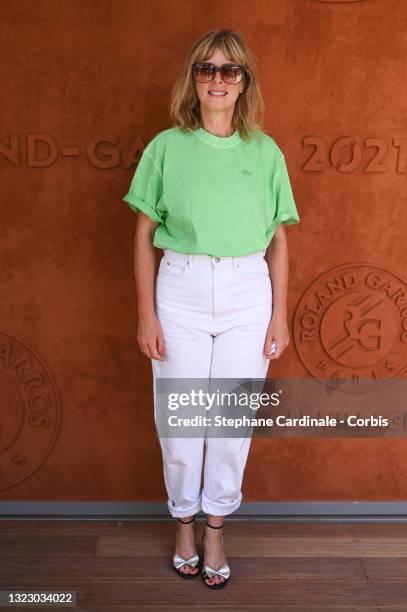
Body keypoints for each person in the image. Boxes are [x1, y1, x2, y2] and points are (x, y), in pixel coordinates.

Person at [122, 28, 300, 590]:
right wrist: (147, 314)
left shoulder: (264, 150)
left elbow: (277, 237)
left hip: (250, 291)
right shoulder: (166, 147)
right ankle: (182, 523)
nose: (217, 80)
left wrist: (280, 314)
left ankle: (216, 526)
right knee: (181, 423)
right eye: (207, 69)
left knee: (229, 424)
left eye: (230, 71)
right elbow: (144, 230)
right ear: (192, 79)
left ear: (244, 82)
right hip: (182, 289)